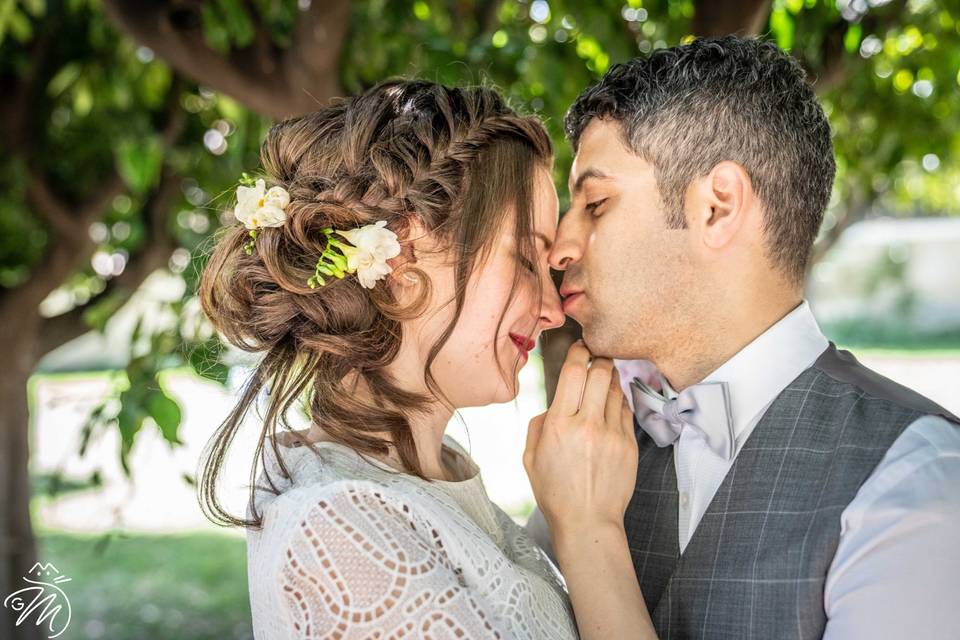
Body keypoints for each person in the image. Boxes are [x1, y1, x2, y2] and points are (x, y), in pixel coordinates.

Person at [526, 35, 960, 639]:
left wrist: (590, 536)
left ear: (717, 208)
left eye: (595, 203)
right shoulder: (588, 458)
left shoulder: (917, 480)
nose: (560, 248)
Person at [197, 78, 647, 639]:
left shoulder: (436, 466)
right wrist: (588, 528)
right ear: (405, 255)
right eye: (526, 257)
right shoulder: (340, 531)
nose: (555, 310)